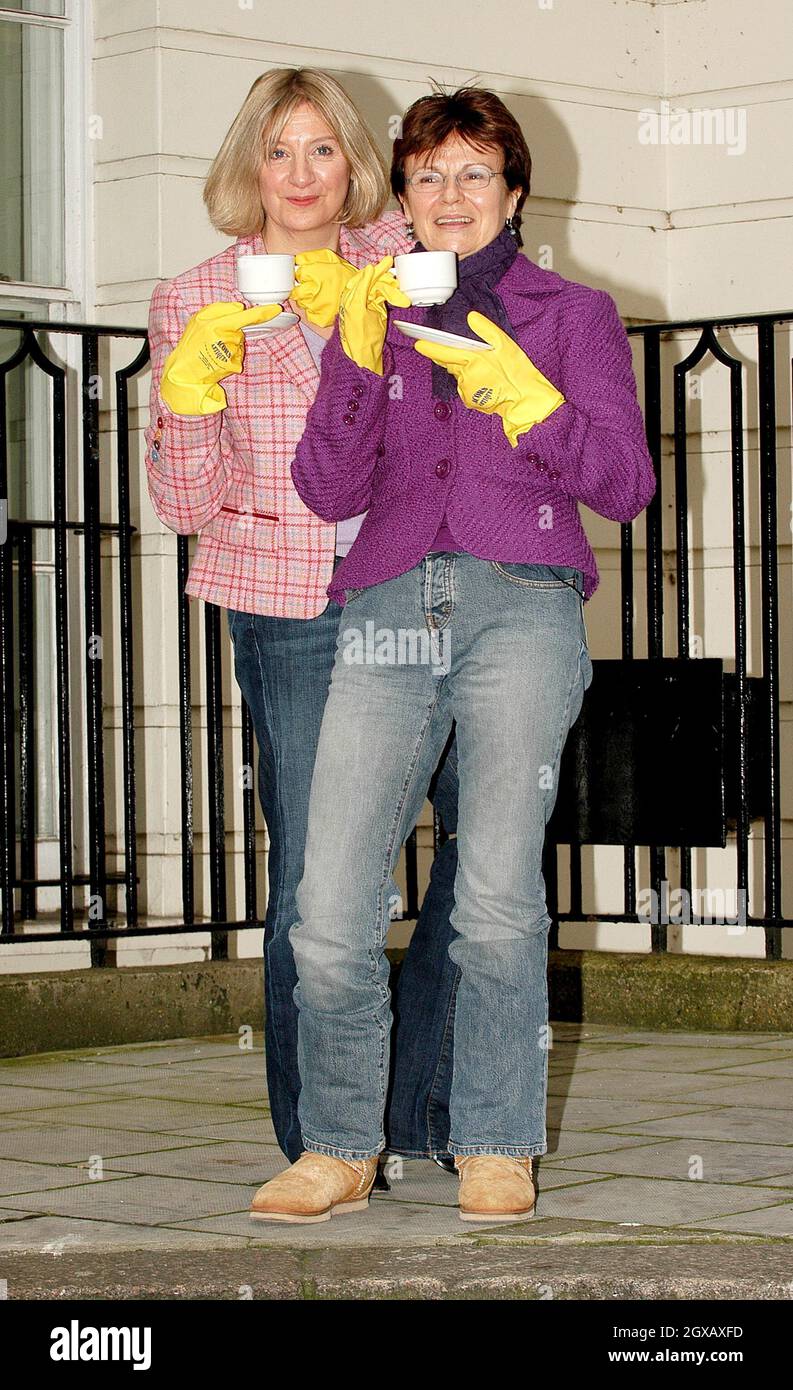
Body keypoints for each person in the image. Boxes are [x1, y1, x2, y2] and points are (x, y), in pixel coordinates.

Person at [248, 86, 657, 1224]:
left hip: (518, 603)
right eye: (428, 176)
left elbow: (624, 485)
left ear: (515, 193)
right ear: (406, 199)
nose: (450, 196)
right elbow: (324, 487)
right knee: (327, 903)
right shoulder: (373, 312)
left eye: (474, 173)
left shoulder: (570, 314)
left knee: (494, 897)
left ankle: (494, 1138)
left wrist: (531, 402)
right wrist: (350, 356)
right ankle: (338, 1143)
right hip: (381, 604)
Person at [143, 67, 462, 1171]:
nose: (300, 175)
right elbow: (183, 507)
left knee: (486, 850)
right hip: (289, 609)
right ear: (248, 165)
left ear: (353, 164)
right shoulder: (194, 295)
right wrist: (188, 398)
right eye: (278, 151)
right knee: (318, 880)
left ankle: (415, 1101)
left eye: (323, 149)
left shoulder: (404, 263)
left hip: (421, 586)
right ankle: (321, 1140)